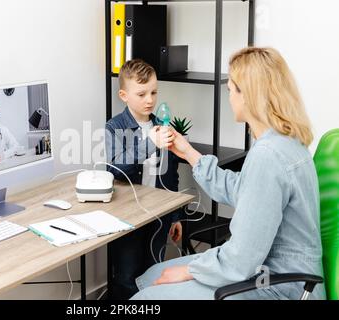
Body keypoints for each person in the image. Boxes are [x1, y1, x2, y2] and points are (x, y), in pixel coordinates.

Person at [131, 47, 326, 300]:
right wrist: (189, 152)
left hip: (282, 284)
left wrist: (189, 270)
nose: (229, 97)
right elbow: (244, 191)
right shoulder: (283, 140)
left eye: (231, 90)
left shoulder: (268, 154)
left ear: (249, 96)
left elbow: (241, 258)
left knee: (147, 296)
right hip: (272, 271)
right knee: (153, 276)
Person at [105, 59, 185, 300]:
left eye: (153, 92)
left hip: (158, 217)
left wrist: (175, 215)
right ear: (124, 95)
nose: (149, 100)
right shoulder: (114, 127)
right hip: (128, 218)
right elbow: (115, 169)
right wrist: (150, 143)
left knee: (154, 274)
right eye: (141, 94)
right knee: (127, 278)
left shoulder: (162, 125)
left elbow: (171, 175)